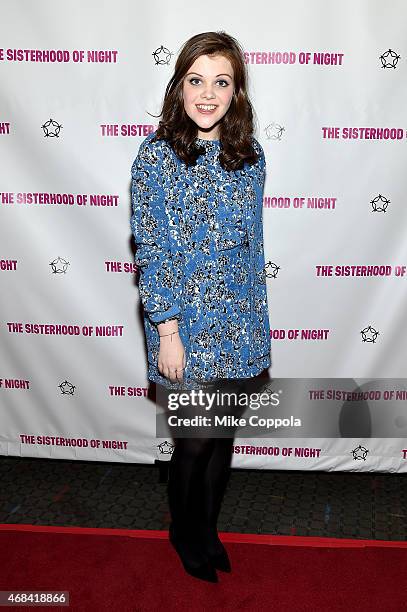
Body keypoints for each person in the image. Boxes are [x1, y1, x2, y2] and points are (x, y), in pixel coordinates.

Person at [130, 31, 271, 582]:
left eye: (221, 81)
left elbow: (253, 247)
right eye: (196, 80)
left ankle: (208, 530)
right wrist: (166, 330)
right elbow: (151, 245)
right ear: (179, 85)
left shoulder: (250, 155)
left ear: (236, 92)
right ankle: (183, 532)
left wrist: (257, 326)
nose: (207, 94)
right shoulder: (157, 156)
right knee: (192, 444)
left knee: (222, 440)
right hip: (184, 328)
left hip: (239, 323)